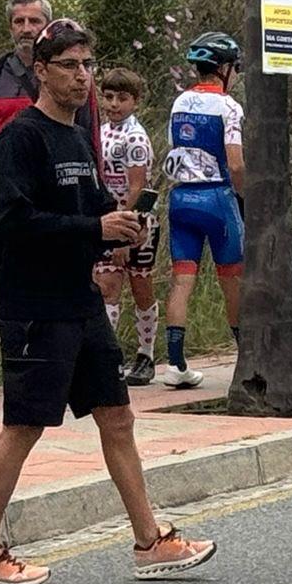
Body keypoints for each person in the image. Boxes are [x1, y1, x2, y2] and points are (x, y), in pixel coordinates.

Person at [0, 19, 216, 584]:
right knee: (24, 425)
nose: (83, 77)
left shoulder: (77, 136)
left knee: (117, 417)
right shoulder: (21, 138)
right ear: (41, 71)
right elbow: (14, 222)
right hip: (34, 305)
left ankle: (149, 541)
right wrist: (93, 227)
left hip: (81, 301)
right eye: (70, 65)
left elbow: (93, 207)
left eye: (88, 65)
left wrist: (121, 225)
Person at [0, 0, 101, 230]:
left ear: (47, 25)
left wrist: (98, 198)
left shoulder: (76, 76)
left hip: (64, 178)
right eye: (19, 21)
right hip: (10, 180)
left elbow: (90, 136)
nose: (26, 29)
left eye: (34, 21)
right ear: (10, 27)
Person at [157, 32, 246, 389]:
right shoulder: (229, 107)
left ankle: (175, 364)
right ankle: (247, 356)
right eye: (236, 68)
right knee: (232, 278)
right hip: (217, 197)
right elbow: (236, 163)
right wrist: (245, 196)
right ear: (224, 69)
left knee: (182, 280)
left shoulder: (179, 101)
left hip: (181, 198)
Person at [94, 66, 162, 385]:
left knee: (140, 286)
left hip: (137, 222)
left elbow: (137, 188)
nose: (114, 104)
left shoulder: (135, 137)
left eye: (122, 98)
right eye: (108, 97)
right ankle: (107, 358)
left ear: (135, 101)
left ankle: (146, 354)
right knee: (107, 286)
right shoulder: (99, 132)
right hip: (108, 219)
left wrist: (125, 234)